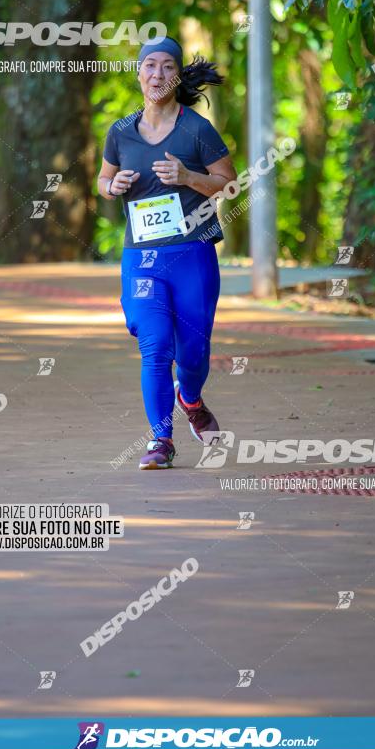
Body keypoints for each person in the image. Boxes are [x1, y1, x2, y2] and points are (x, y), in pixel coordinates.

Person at [97, 36, 238, 470]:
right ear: (138, 73)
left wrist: (187, 176)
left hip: (192, 254)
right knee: (155, 347)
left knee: (193, 355)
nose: (157, 75)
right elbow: (102, 181)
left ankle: (190, 398)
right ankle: (162, 440)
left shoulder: (195, 128)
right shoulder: (120, 131)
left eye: (166, 68)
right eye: (150, 66)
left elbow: (229, 184)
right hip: (141, 257)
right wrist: (112, 187)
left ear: (177, 76)